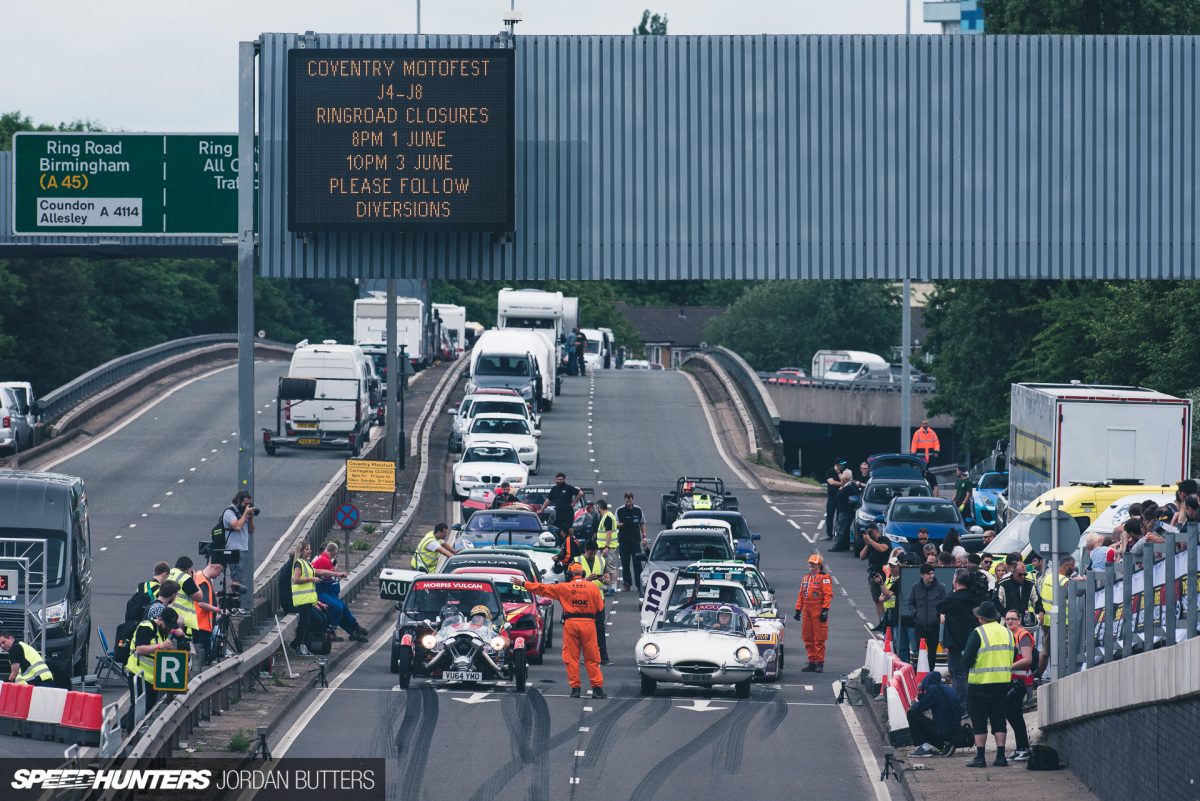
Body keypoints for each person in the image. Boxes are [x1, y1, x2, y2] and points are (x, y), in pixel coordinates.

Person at [513, 563, 606, 698]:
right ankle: (597, 689)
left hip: (571, 624)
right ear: (583, 574)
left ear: (569, 575)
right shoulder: (593, 587)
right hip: (589, 624)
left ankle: (575, 689)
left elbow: (543, 589)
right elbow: (599, 607)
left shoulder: (564, 587)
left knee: (571, 658)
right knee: (592, 658)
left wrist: (523, 584)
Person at [963, 600, 1016, 767]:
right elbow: (1012, 656)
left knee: (979, 721)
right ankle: (1001, 757)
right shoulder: (1008, 633)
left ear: (981, 618)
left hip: (980, 685)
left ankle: (980, 757)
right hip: (1002, 684)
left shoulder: (978, 633)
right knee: (999, 719)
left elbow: (967, 659)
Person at [125, 607, 180, 730]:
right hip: (138, 673)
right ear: (160, 619)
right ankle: (131, 738)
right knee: (137, 707)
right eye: (167, 626)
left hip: (153, 678)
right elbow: (139, 649)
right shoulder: (146, 627)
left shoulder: (163, 632)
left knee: (150, 708)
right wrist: (159, 646)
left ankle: (143, 733)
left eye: (171, 627)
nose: (169, 629)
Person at [937, 567, 979, 704]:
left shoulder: (952, 598)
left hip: (955, 643)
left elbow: (940, 607)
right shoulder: (974, 596)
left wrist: (953, 590)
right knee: (970, 674)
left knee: (958, 675)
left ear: (955, 580)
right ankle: (969, 704)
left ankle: (961, 706)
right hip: (972, 641)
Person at [289, 541, 338, 656]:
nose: (310, 551)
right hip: (301, 599)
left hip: (308, 599)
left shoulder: (307, 563)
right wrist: (311, 579)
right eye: (307, 549)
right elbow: (296, 579)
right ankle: (299, 645)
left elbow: (317, 572)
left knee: (308, 622)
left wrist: (336, 574)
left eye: (310, 549)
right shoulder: (299, 563)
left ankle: (302, 645)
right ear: (301, 551)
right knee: (304, 623)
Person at [313, 542, 368, 643]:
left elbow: (325, 575)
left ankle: (354, 629)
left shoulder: (325, 560)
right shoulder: (324, 561)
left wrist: (336, 574)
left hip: (325, 591)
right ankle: (329, 632)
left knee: (343, 607)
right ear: (334, 553)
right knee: (337, 608)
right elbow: (327, 579)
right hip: (320, 592)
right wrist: (337, 575)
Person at [167, 556, 220, 655]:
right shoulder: (186, 578)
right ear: (188, 569)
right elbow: (199, 597)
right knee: (183, 652)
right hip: (183, 621)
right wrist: (194, 580)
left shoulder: (169, 573)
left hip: (168, 616)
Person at [907, 672, 965, 757]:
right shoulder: (949, 689)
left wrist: (919, 700)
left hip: (944, 734)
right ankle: (948, 743)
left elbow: (916, 709)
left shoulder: (933, 690)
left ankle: (925, 748)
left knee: (911, 714)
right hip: (956, 731)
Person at [1004, 610, 1035, 761]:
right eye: (1007, 619)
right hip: (1012, 681)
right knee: (1012, 715)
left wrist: (1007, 666)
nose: (1009, 621)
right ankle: (1020, 748)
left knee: (1015, 715)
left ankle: (1024, 748)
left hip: (1020, 682)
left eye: (1013, 619)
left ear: (1019, 620)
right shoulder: (1010, 635)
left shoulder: (1022, 636)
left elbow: (1027, 659)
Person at [793, 554, 832, 672]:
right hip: (807, 611)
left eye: (813, 563)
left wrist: (825, 610)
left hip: (818, 610)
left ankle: (819, 662)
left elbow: (828, 594)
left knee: (819, 637)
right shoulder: (806, 578)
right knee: (807, 636)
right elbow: (801, 595)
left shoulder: (824, 577)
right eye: (810, 563)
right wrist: (798, 610)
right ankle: (812, 661)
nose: (811, 565)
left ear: (819, 565)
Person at [575, 540, 611, 664]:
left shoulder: (601, 561)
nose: (592, 555)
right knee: (585, 631)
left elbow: (608, 581)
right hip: (582, 601)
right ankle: (588, 657)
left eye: (594, 553)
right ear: (585, 551)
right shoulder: (577, 561)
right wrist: (586, 579)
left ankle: (603, 657)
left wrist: (602, 579)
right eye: (590, 554)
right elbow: (571, 582)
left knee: (600, 628)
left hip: (598, 600)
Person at [908, 562, 946, 665]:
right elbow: (910, 602)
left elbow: (944, 604)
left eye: (932, 573)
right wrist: (915, 614)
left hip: (934, 626)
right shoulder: (916, 587)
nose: (931, 576)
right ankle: (920, 673)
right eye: (929, 574)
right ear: (922, 575)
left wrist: (938, 616)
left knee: (932, 653)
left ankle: (930, 673)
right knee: (920, 651)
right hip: (920, 625)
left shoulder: (940, 587)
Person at [222, 490, 256, 591]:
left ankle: (233, 603)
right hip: (235, 549)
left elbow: (251, 530)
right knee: (237, 579)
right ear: (238, 500)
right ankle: (234, 603)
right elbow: (237, 527)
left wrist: (250, 518)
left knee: (236, 579)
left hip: (242, 549)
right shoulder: (229, 512)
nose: (246, 506)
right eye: (245, 504)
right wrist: (246, 513)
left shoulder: (242, 514)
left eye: (248, 504)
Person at [859, 523, 890, 630]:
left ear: (876, 531)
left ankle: (888, 622)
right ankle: (881, 622)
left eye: (870, 532)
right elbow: (861, 557)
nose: (868, 534)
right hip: (873, 575)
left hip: (884, 574)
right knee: (877, 600)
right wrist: (867, 544)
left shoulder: (884, 540)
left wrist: (871, 541)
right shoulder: (870, 545)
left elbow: (883, 549)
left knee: (885, 598)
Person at [541, 472, 584, 546]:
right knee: (556, 530)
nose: (559, 481)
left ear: (564, 479)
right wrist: (541, 510)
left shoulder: (568, 488)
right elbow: (548, 500)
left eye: (561, 479)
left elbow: (580, 493)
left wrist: (574, 502)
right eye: (558, 479)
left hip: (568, 514)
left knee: (567, 531)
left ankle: (570, 544)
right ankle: (559, 544)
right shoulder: (554, 489)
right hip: (559, 514)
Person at [616, 492, 647, 593]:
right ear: (624, 500)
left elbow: (642, 523)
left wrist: (644, 536)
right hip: (624, 541)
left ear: (632, 499)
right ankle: (626, 583)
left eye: (630, 501)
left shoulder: (638, 510)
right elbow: (615, 524)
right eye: (627, 501)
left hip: (635, 541)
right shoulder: (620, 510)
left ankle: (639, 584)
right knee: (625, 563)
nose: (628, 503)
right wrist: (623, 523)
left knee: (637, 563)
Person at [594, 500, 619, 595]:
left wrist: (606, 547)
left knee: (611, 568)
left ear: (599, 507)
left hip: (608, 548)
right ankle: (604, 587)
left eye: (597, 508)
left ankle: (614, 589)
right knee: (602, 567)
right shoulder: (607, 516)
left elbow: (609, 533)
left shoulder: (607, 517)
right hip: (602, 547)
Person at [830, 469, 858, 552]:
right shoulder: (852, 485)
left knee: (841, 529)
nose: (840, 481)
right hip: (848, 511)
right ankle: (845, 545)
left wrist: (839, 490)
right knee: (845, 529)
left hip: (845, 511)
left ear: (844, 480)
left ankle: (838, 546)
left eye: (841, 479)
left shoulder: (847, 488)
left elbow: (838, 496)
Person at [824, 458, 847, 540]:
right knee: (830, 515)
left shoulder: (843, 473)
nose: (843, 466)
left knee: (839, 516)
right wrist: (841, 484)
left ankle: (837, 534)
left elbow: (844, 481)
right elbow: (831, 482)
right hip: (832, 496)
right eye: (841, 464)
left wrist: (838, 473)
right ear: (836, 465)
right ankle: (829, 534)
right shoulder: (829, 471)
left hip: (841, 496)